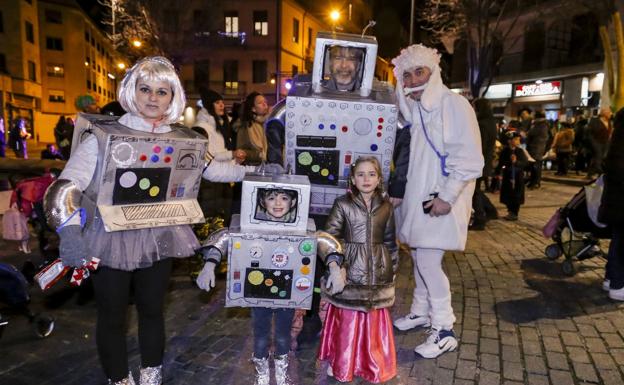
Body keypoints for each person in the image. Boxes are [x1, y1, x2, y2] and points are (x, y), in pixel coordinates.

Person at [45, 56, 257, 385]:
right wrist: (70, 231)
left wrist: (258, 173)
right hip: (109, 236)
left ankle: (151, 373)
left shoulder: (183, 137)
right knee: (113, 314)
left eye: (162, 91)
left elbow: (215, 170)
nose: (153, 98)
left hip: (158, 233)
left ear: (173, 97)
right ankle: (119, 379)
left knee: (152, 309)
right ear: (132, 90)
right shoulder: (102, 136)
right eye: (146, 89)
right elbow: (65, 185)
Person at [389, 44, 483, 358]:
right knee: (419, 256)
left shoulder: (453, 104)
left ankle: (444, 328)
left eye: (420, 71)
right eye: (408, 74)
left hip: (439, 201)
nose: (415, 78)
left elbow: (469, 158)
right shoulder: (415, 112)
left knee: (428, 262)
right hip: (421, 201)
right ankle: (420, 310)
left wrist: (446, 197)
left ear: (433, 72)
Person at [318, 156, 398, 383]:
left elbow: (391, 242)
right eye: (361, 174)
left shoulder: (386, 207)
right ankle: (342, 362)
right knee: (348, 323)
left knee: (373, 324)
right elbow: (329, 238)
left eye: (371, 174)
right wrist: (337, 267)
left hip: (378, 273)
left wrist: (392, 271)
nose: (366, 179)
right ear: (352, 178)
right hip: (350, 272)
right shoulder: (342, 204)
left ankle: (371, 364)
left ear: (379, 178)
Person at [193, 88, 246, 220]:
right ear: (208, 105)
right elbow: (210, 156)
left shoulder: (220, 125)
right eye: (217, 102)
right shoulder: (202, 127)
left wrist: (235, 161)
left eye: (222, 102)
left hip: (224, 178)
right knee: (212, 217)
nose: (222, 105)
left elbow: (223, 150)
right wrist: (232, 154)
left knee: (224, 216)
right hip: (211, 181)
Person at [598, 107, 624, 301]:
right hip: (621, 199)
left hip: (617, 200)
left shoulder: (617, 137)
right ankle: (618, 284)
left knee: (619, 238)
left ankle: (611, 278)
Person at [496, 131, 529, 221]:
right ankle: (510, 211)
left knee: (516, 195)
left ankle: (514, 212)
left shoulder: (520, 151)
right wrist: (499, 172)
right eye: (515, 139)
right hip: (508, 175)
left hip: (518, 176)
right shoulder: (505, 151)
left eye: (518, 139)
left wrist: (516, 162)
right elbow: (501, 163)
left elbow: (525, 163)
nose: (518, 141)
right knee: (508, 194)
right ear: (509, 141)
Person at [235, 92, 270, 165]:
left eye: (265, 102)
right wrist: (259, 155)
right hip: (253, 168)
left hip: (269, 166)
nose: (265, 105)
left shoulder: (270, 123)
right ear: (253, 109)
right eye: (260, 103)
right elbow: (241, 151)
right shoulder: (246, 126)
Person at [586, 106, 613, 179]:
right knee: (598, 156)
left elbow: (609, 133)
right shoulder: (594, 121)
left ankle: (590, 173)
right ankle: (599, 172)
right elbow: (589, 133)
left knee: (599, 157)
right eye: (609, 112)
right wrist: (592, 142)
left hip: (606, 142)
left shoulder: (609, 122)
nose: (611, 114)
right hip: (596, 142)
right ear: (604, 113)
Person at [526, 110, 549, 189]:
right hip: (538, 147)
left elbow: (531, 133)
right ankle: (534, 181)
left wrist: (528, 133)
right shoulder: (543, 124)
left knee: (535, 165)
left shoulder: (539, 124)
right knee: (535, 165)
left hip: (536, 147)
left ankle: (535, 182)